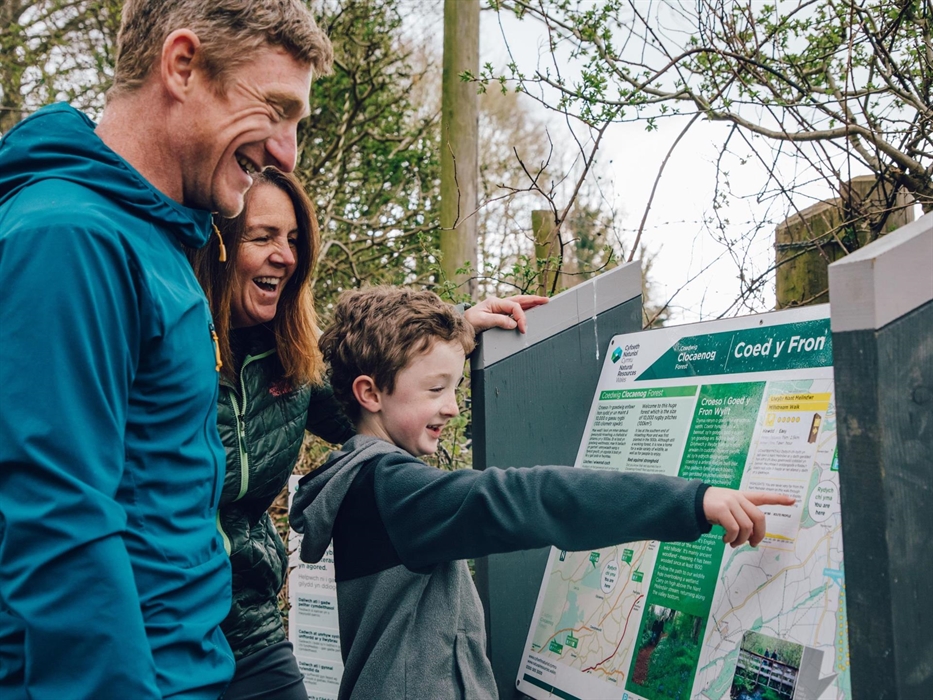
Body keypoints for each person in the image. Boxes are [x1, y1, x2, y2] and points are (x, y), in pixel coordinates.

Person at [0, 2, 332, 698]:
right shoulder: (70, 237)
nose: (285, 152)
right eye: (273, 109)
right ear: (181, 65)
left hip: (190, 671)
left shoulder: (161, 244)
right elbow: (59, 521)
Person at [289, 286, 796, 699]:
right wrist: (691, 501)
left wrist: (462, 326)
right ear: (370, 393)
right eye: (435, 389)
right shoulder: (395, 491)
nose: (453, 407)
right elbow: (534, 498)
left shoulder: (360, 481)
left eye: (456, 388)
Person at [190, 167, 547, 699]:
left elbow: (372, 395)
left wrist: (449, 329)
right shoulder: (170, 346)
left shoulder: (293, 359)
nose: (284, 255)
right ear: (217, 245)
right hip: (161, 613)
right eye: (262, 237)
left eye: (292, 240)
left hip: (248, 619)